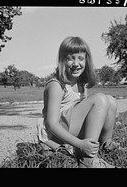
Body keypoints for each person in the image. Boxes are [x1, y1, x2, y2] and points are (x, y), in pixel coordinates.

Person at [37, 36, 117, 168]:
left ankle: (105, 145)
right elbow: (51, 123)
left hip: (70, 127)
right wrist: (79, 144)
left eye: (80, 58)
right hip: (55, 134)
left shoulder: (81, 84)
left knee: (111, 101)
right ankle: (88, 160)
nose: (76, 63)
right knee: (100, 99)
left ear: (87, 60)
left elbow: (87, 112)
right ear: (62, 60)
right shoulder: (56, 85)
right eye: (70, 58)